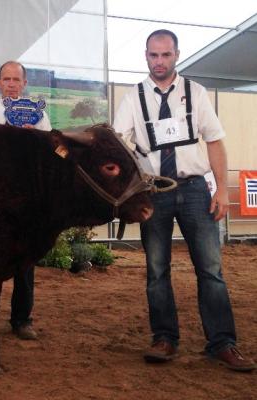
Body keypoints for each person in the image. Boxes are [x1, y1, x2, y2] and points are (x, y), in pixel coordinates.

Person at [114, 29, 255, 372]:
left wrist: (222, 189)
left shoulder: (197, 92)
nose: (159, 61)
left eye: (165, 55)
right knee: (157, 270)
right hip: (155, 193)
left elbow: (215, 141)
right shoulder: (133, 98)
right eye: (152, 55)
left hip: (195, 190)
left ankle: (222, 343)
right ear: (146, 56)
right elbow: (118, 143)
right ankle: (164, 338)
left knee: (211, 270)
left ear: (176, 54)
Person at [0, 61, 51, 340]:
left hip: (26, 199)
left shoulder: (40, 116)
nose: (11, 84)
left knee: (25, 261)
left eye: (16, 79)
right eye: (6, 79)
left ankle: (22, 319)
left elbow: (49, 157)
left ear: (24, 83)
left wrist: (34, 138)